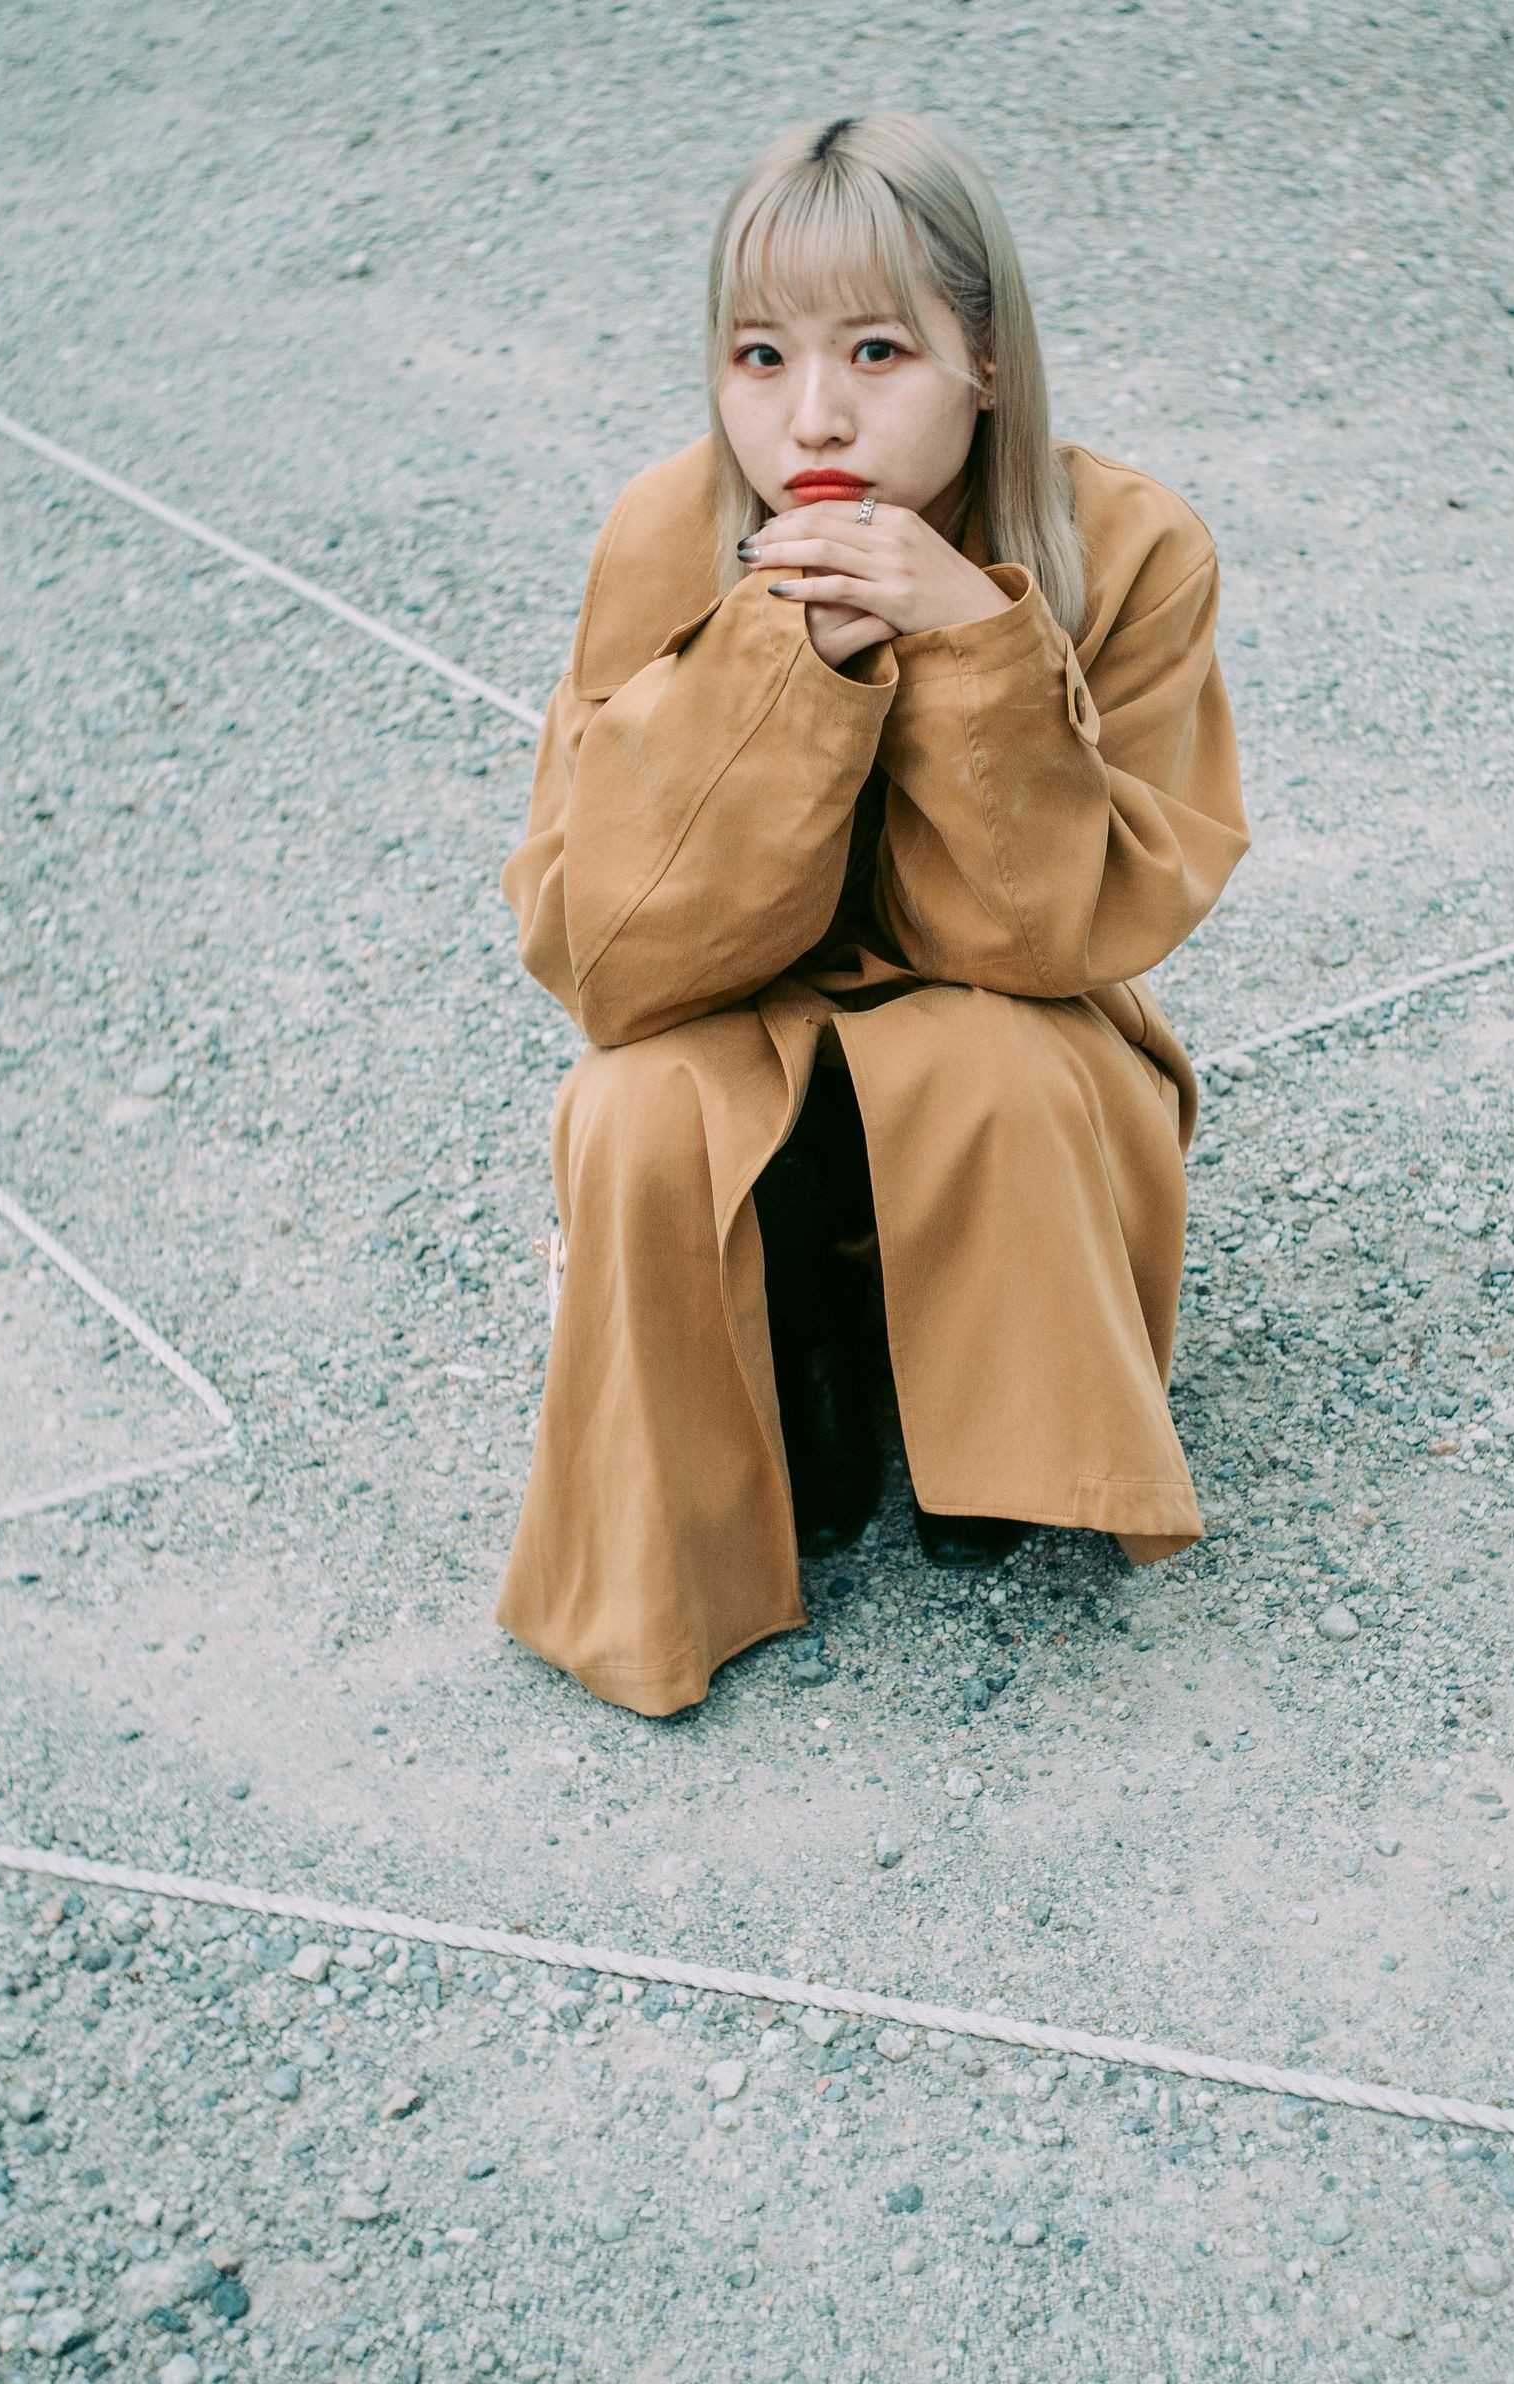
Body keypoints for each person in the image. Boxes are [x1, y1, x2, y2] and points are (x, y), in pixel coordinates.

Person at [494, 112, 1248, 1719]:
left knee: (992, 1064)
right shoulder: (662, 530)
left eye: (879, 351)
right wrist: (778, 670)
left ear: (987, 360)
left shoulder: (1132, 545)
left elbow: (1058, 937)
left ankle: (989, 1404)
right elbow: (607, 959)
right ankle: (786, 1388)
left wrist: (977, 650)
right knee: (635, 1102)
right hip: (725, 1018)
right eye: (759, 356)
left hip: (1013, 1020)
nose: (813, 415)